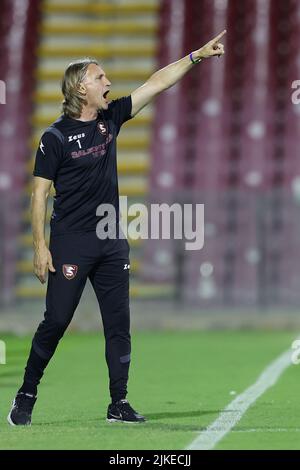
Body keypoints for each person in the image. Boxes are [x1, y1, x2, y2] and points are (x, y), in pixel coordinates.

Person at [7, 31, 226, 426]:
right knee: (56, 322)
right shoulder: (54, 137)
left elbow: (156, 83)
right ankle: (27, 391)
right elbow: (39, 195)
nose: (108, 83)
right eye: (100, 77)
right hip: (71, 242)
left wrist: (196, 56)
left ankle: (118, 402)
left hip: (111, 240)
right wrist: (41, 247)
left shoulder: (111, 118)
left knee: (118, 324)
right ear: (80, 88)